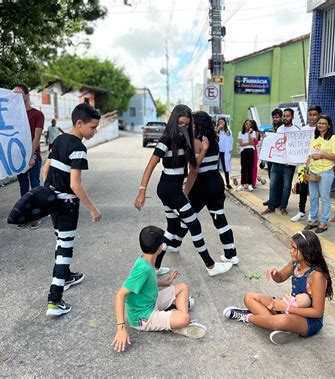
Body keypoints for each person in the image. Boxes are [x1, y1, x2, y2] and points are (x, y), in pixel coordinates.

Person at [134, 104, 232, 277]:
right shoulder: (166, 140)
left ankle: (154, 267)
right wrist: (142, 190)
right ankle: (210, 266)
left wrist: (204, 150)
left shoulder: (185, 140)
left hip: (171, 190)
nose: (184, 127)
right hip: (169, 190)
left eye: (187, 124)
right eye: (180, 123)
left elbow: (194, 167)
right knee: (194, 224)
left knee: (172, 227)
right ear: (173, 121)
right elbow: (151, 164)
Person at [42, 103, 103, 316]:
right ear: (79, 123)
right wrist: (93, 209)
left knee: (61, 241)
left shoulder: (58, 140)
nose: (95, 131)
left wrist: (49, 191)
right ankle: (54, 299)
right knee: (65, 249)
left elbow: (46, 168)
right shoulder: (79, 148)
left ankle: (66, 276)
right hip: (67, 205)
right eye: (93, 127)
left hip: (53, 203)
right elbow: (75, 184)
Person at [223, 230, 333, 345]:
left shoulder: (317, 275)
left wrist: (286, 308)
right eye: (291, 247)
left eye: (295, 248)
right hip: (289, 308)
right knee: (249, 297)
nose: (291, 251)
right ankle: (286, 328)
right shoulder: (296, 263)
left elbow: (318, 312)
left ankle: (247, 316)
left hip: (309, 321)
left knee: (282, 321)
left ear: (308, 250)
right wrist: (274, 273)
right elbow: (280, 278)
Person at [112, 225, 207, 352]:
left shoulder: (145, 259)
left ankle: (176, 316)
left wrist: (166, 282)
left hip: (151, 302)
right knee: (185, 319)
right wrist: (121, 328)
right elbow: (120, 295)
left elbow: (148, 280)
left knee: (183, 287)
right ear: (161, 247)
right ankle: (180, 325)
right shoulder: (142, 269)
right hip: (143, 317)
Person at [185, 111, 239, 265]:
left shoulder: (196, 143)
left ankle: (173, 244)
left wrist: (186, 190)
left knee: (187, 216)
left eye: (193, 122)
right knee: (219, 218)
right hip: (215, 182)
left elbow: (194, 169)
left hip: (201, 185)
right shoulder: (214, 141)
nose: (191, 125)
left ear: (197, 123)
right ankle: (231, 254)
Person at [13, 84, 45, 230]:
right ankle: (24, 215)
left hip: (33, 156)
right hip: (18, 158)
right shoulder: (12, 116)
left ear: (27, 95)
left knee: (35, 186)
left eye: (19, 93)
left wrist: (30, 157)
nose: (17, 96)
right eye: (14, 94)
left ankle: (36, 216)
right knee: (23, 187)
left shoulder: (37, 115)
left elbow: (36, 137)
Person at [304, 115, 335, 233]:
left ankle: (324, 222)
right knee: (313, 197)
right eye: (319, 123)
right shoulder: (315, 138)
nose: (321, 125)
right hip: (313, 171)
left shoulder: (333, 139)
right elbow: (310, 154)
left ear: (329, 125)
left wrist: (321, 155)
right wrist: (306, 167)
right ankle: (313, 219)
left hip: (326, 171)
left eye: (324, 123)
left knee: (324, 197)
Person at [262, 108, 301, 215]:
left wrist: (293, 161)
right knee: (273, 185)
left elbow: (297, 148)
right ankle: (271, 207)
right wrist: (267, 139)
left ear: (292, 117)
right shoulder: (279, 129)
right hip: (276, 162)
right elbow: (275, 144)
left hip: (289, 164)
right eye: (284, 116)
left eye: (287, 116)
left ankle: (283, 207)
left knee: (286, 186)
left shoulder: (297, 130)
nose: (285, 118)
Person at [291, 105, 322, 222]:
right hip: (302, 166)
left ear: (319, 115)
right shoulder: (303, 130)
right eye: (310, 115)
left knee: (314, 189)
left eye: (315, 115)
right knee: (302, 188)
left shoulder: (321, 131)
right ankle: (301, 211)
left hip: (316, 166)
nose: (312, 117)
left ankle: (313, 213)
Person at [237, 119, 259, 191]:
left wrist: (249, 134)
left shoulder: (253, 133)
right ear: (244, 125)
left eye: (249, 124)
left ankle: (250, 184)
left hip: (251, 151)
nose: (248, 125)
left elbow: (252, 143)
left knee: (250, 168)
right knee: (243, 168)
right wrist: (247, 144)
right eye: (246, 124)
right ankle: (243, 183)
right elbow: (241, 144)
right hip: (243, 151)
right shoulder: (240, 133)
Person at [216, 117, 233, 190]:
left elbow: (231, 141)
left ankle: (228, 183)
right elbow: (213, 138)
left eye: (222, 122)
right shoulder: (217, 131)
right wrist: (217, 130)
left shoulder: (228, 131)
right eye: (219, 122)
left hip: (224, 152)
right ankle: (216, 183)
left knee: (226, 167)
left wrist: (229, 150)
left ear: (225, 123)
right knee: (216, 168)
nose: (221, 124)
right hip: (217, 152)